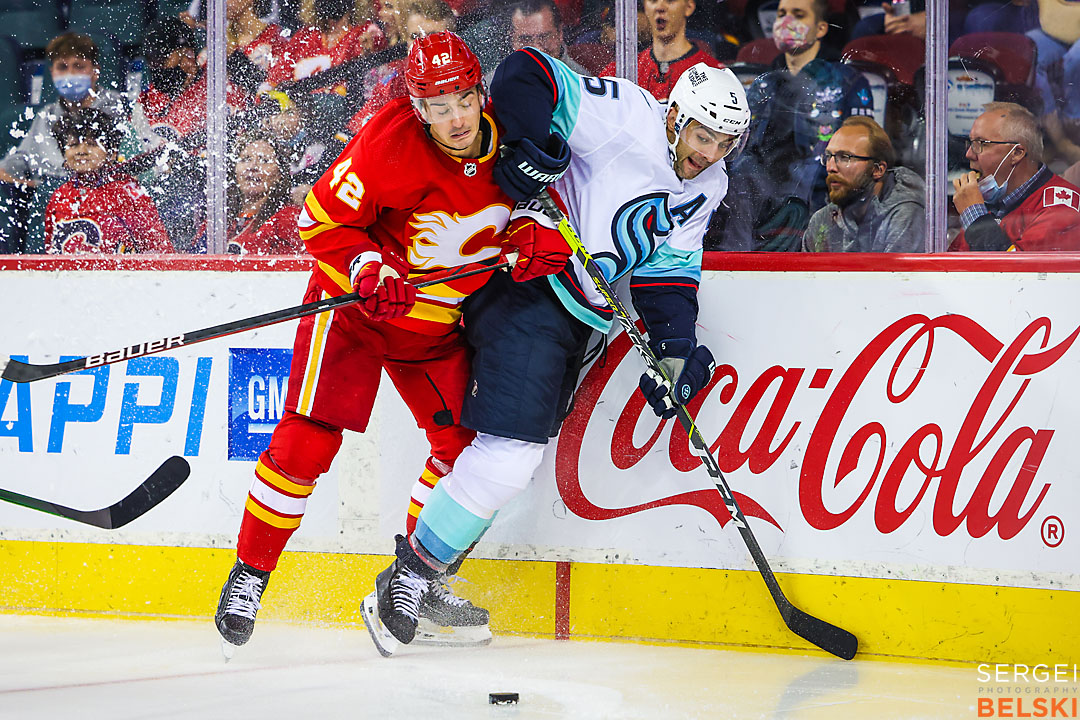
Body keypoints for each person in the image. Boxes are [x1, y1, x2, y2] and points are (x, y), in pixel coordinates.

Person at [364, 54, 750, 651]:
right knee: (509, 456)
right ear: (675, 117)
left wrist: (674, 351)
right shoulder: (625, 115)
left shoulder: (709, 184)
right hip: (529, 286)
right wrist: (525, 148)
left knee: (506, 459)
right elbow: (527, 72)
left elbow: (669, 274)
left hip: (582, 320)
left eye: (725, 143)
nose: (710, 153)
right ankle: (408, 578)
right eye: (703, 136)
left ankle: (426, 576)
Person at [214, 31, 571, 652]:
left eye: (464, 100)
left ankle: (418, 580)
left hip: (433, 327)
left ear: (480, 93)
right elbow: (319, 219)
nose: (456, 119)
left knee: (465, 450)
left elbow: (548, 206)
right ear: (417, 106)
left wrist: (538, 232)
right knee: (307, 440)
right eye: (439, 106)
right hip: (355, 314)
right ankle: (249, 575)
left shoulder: (515, 137)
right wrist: (366, 266)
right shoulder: (389, 142)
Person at [714, 0, 874, 251]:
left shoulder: (848, 82)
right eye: (781, 14)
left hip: (825, 205)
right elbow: (745, 151)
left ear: (821, 28)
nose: (786, 22)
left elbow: (862, 161)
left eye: (798, 15)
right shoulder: (764, 84)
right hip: (761, 211)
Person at [0, 33, 155, 253]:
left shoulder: (120, 109)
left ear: (95, 71)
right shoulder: (46, 116)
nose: (70, 74)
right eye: (62, 67)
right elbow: (21, 159)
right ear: (52, 72)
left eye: (79, 66)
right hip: (51, 198)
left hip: (106, 196)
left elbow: (138, 162)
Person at [951, 102, 1080, 251]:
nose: (969, 154)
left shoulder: (1060, 210)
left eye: (981, 143)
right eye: (971, 143)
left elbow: (1014, 266)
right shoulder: (989, 203)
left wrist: (975, 217)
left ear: (1017, 153)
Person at [44, 109, 174, 255]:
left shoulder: (127, 192)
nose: (81, 151)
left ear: (112, 154)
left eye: (91, 144)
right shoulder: (59, 195)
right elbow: (51, 254)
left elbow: (159, 248)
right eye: (73, 145)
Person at [803, 116, 925, 252]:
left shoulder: (905, 215)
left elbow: (894, 267)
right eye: (828, 157)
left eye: (845, 157)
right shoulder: (822, 220)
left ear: (878, 170)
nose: (830, 167)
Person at [345, 0, 457, 133]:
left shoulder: (467, 79)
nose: (420, 45)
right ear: (406, 40)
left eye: (432, 37)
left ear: (452, 41)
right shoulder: (396, 81)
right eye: (414, 36)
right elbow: (360, 125)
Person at [193, 132, 304, 254]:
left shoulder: (288, 219)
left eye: (264, 161)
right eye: (245, 159)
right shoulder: (218, 218)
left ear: (279, 174)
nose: (252, 167)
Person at [599, 0, 722, 102]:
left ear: (689, 7)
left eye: (670, 1)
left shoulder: (715, 74)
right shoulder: (617, 72)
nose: (660, 7)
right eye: (653, 0)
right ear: (645, 7)